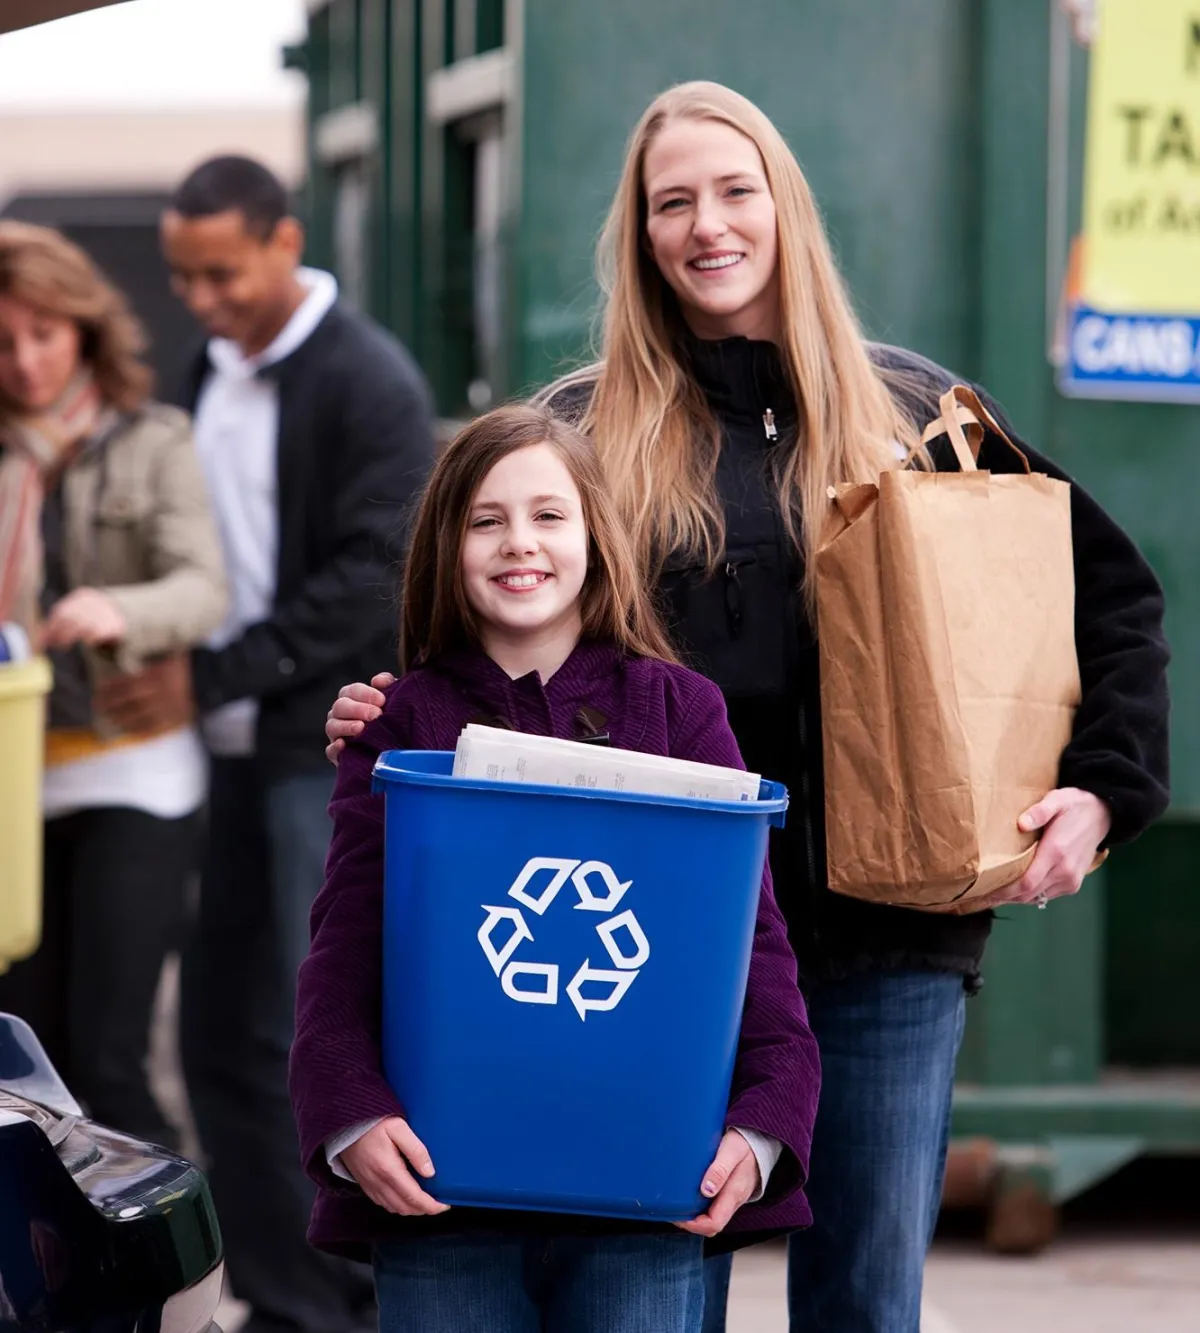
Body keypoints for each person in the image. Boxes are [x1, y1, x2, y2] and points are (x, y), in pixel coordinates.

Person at [324, 82, 1171, 1332]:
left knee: (866, 1298)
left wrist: (1101, 790)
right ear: (641, 233)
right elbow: (476, 637)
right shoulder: (587, 433)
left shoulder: (910, 414)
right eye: (674, 203)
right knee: (660, 1275)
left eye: (735, 192)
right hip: (651, 944)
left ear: (786, 206)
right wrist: (383, 712)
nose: (708, 226)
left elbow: (1109, 595)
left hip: (888, 937)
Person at [290, 401, 820, 1333]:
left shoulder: (680, 711)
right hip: (443, 1188)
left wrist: (763, 1120)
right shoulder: (404, 720)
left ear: (595, 538)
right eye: (485, 520)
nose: (517, 543)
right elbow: (345, 940)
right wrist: (350, 1112)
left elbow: (750, 942)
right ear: (447, 546)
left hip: (643, 1186)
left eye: (547, 515)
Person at [96, 156, 437, 1333]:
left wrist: (211, 673)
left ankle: (347, 1296)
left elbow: (366, 581)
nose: (199, 298)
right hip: (218, 753)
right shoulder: (211, 368)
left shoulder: (368, 382)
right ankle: (280, 1293)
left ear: (286, 242)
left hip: (309, 751)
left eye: (221, 273)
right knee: (215, 1036)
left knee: (312, 1027)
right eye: (183, 276)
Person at [0, 220, 226, 1146]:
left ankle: (173, 1272)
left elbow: (202, 586)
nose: (24, 363)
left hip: (135, 771)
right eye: (3, 341)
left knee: (107, 1051)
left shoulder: (155, 439)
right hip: (18, 785)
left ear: (85, 330)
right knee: (23, 1061)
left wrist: (120, 612)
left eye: (43, 335)